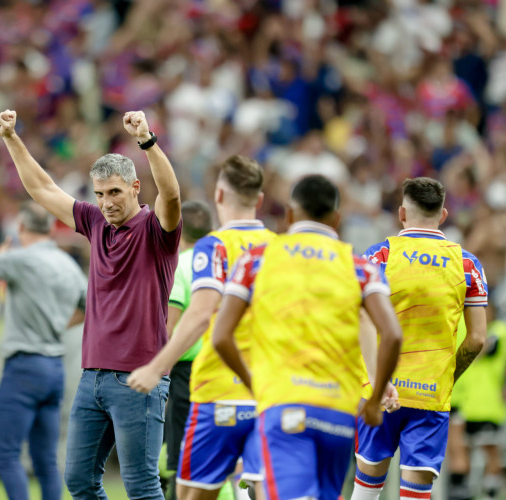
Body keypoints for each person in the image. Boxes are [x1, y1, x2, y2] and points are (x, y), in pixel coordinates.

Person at [0, 109, 181, 499]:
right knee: (78, 482)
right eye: (99, 193)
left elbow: (173, 194)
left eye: (114, 192)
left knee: (142, 486)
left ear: (134, 188)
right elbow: (42, 189)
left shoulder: (156, 231)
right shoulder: (95, 223)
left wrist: (146, 139)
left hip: (139, 378)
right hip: (91, 376)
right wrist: (11, 137)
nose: (106, 202)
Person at [211, 174, 402, 500]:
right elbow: (393, 334)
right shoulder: (359, 267)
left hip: (284, 404)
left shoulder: (257, 258)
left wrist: (253, 382)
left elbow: (220, 336)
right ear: (337, 218)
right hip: (337, 413)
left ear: (288, 214)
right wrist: (373, 399)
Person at [129, 155, 276, 500]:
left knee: (190, 492)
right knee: (264, 487)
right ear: (259, 200)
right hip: (269, 389)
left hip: (217, 389)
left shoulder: (212, 247)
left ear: (219, 196)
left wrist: (156, 366)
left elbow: (200, 313)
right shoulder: (281, 249)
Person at [351, 177, 488, 500]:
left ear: (402, 214)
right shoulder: (467, 265)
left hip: (381, 389)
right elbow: (477, 338)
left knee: (366, 489)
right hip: (431, 393)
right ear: (443, 216)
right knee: (416, 493)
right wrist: (447, 377)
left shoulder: (380, 255)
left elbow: (360, 321)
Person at [0, 201, 87, 500]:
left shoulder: (20, 259)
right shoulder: (68, 264)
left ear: (20, 228)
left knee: (5, 454)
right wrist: (57, 325)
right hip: (55, 367)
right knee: (45, 460)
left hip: (24, 367)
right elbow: (91, 307)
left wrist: (0, 252)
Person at [160, 200, 216, 500]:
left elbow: (172, 323)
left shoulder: (180, 263)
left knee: (183, 457)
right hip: (224, 368)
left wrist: (157, 366)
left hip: (186, 373)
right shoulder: (226, 261)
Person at [447, 311, 506, 500]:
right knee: (459, 448)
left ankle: (490, 494)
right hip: (463, 401)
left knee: (490, 449)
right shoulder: (464, 325)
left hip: (488, 406)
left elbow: (482, 345)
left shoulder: (498, 332)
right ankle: (461, 492)